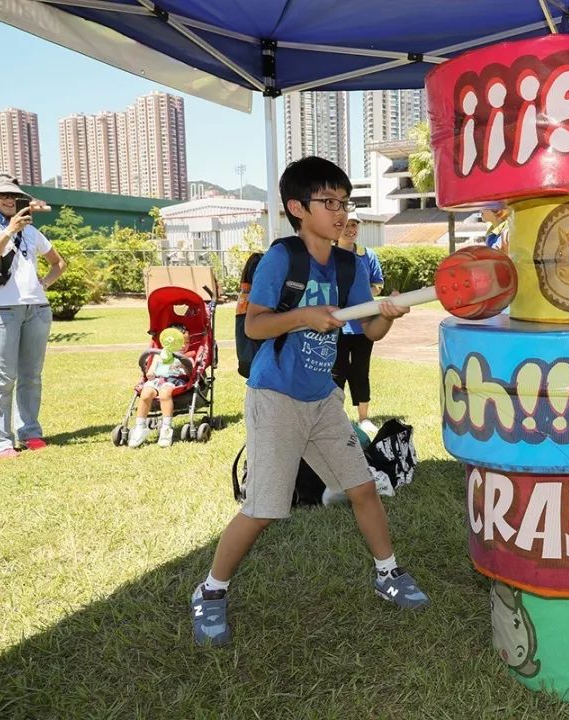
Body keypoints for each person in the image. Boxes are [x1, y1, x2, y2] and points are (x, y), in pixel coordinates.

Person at [190, 156, 429, 647]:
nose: (341, 212)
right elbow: (255, 324)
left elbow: (370, 330)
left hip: (324, 399)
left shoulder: (350, 264)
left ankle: (387, 572)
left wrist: (389, 314)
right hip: (276, 396)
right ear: (298, 208)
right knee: (263, 508)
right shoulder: (282, 258)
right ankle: (211, 592)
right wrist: (303, 316)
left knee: (362, 487)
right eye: (329, 203)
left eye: (346, 202)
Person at [0, 171, 66, 459]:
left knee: (31, 376)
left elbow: (59, 263)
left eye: (12, 194)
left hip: (36, 310)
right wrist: (9, 230)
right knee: (2, 378)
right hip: (1, 311)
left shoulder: (31, 232)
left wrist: (42, 285)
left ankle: (30, 432)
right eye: (1, 194)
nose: (9, 199)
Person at [332, 210, 385, 437]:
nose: (351, 229)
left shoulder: (367, 255)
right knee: (337, 370)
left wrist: (361, 299)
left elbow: (377, 285)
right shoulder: (328, 255)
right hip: (337, 325)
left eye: (355, 225)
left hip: (363, 324)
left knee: (361, 370)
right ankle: (334, 417)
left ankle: (364, 418)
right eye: (347, 225)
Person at [128, 325, 190, 448]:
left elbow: (189, 373)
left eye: (187, 342)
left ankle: (166, 428)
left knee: (164, 393)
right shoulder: (158, 355)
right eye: (180, 342)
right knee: (145, 394)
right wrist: (150, 373)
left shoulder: (186, 358)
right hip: (157, 380)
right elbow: (150, 371)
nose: (184, 345)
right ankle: (140, 427)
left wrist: (182, 364)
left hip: (174, 381)